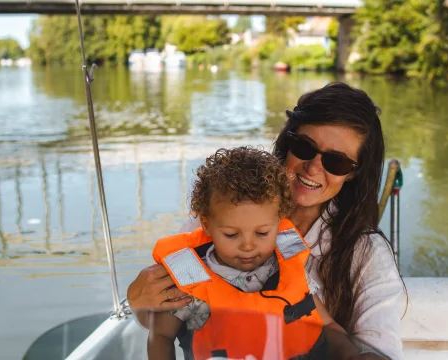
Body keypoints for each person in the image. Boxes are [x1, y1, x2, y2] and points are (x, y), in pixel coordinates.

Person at [129, 82, 406, 360]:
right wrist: (137, 299)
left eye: (337, 162)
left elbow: (369, 345)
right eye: (305, 147)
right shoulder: (217, 215)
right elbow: (156, 322)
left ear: (354, 174)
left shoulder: (367, 253)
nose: (313, 168)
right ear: (289, 142)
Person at [147, 146, 365, 360]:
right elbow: (161, 335)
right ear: (206, 224)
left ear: (279, 223)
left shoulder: (290, 270)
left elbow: (327, 325)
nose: (248, 246)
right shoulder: (190, 279)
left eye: (262, 233)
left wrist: (351, 355)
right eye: (232, 235)